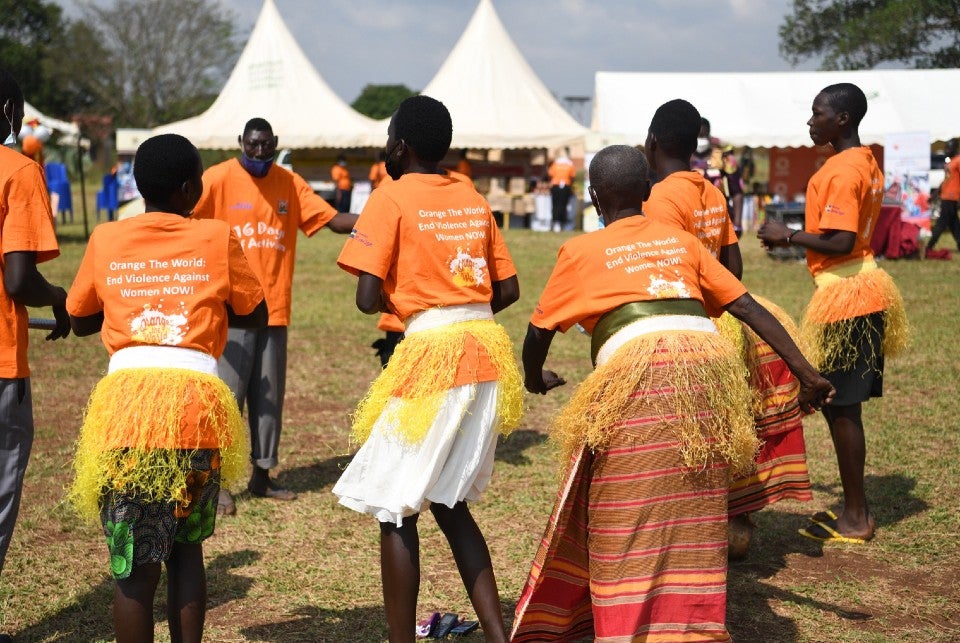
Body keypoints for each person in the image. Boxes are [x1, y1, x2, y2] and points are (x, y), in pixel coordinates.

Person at [512, 145, 834, 642]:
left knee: (622, 511)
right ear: (647, 191)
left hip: (641, 372)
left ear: (594, 197)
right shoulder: (680, 242)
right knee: (696, 505)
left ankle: (626, 628)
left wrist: (535, 378)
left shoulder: (578, 251)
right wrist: (806, 374)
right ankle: (690, 626)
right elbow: (747, 307)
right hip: (709, 369)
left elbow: (538, 334)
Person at [333, 95, 523, 643]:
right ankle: (495, 633)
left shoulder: (388, 197)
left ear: (401, 146)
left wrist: (424, 309)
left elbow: (367, 299)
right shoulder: (469, 194)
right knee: (449, 501)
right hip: (485, 353)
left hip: (432, 356)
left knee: (395, 508)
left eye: (391, 136)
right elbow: (506, 289)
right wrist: (461, 309)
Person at [66, 133, 267, 642]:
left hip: (125, 413)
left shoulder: (107, 238)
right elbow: (254, 310)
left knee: (134, 568)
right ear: (187, 189)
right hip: (196, 409)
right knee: (186, 551)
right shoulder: (217, 236)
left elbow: (80, 316)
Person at [644, 98, 814, 557]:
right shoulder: (711, 191)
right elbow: (733, 265)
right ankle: (735, 519)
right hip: (724, 322)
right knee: (731, 421)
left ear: (652, 142)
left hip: (686, 330)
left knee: (688, 433)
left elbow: (664, 273)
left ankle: (691, 528)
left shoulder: (659, 198)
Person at [758, 82, 909, 544]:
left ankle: (856, 519)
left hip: (848, 297)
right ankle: (852, 509)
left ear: (841, 119)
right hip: (859, 289)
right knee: (840, 406)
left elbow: (840, 240)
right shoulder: (865, 161)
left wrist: (788, 236)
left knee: (843, 410)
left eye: (817, 113)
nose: (810, 121)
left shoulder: (843, 170)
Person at [192, 117, 357, 515]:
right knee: (227, 399)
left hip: (274, 311)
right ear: (240, 143)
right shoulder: (217, 179)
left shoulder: (288, 183)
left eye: (266, 145)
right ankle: (215, 484)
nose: (260, 152)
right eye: (252, 145)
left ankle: (262, 476)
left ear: (276, 143)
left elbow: (332, 220)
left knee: (269, 400)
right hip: (231, 311)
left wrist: (386, 220)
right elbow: (186, 218)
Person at [0, 71, 70, 642]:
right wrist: (61, 301)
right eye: (19, 110)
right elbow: (20, 279)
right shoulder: (18, 171)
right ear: (6, 109)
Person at [927, 138, 960, 254]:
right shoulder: (950, 162)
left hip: (952, 196)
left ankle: (929, 247)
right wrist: (935, 194)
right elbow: (946, 180)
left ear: (955, 148)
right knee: (954, 224)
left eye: (948, 148)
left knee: (941, 223)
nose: (946, 150)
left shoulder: (958, 160)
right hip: (945, 196)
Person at [547, 147, 575, 232]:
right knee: (563, 205)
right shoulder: (569, 164)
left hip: (556, 186)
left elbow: (550, 174)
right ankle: (562, 223)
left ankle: (556, 223)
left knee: (555, 205)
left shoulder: (555, 164)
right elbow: (572, 176)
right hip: (566, 186)